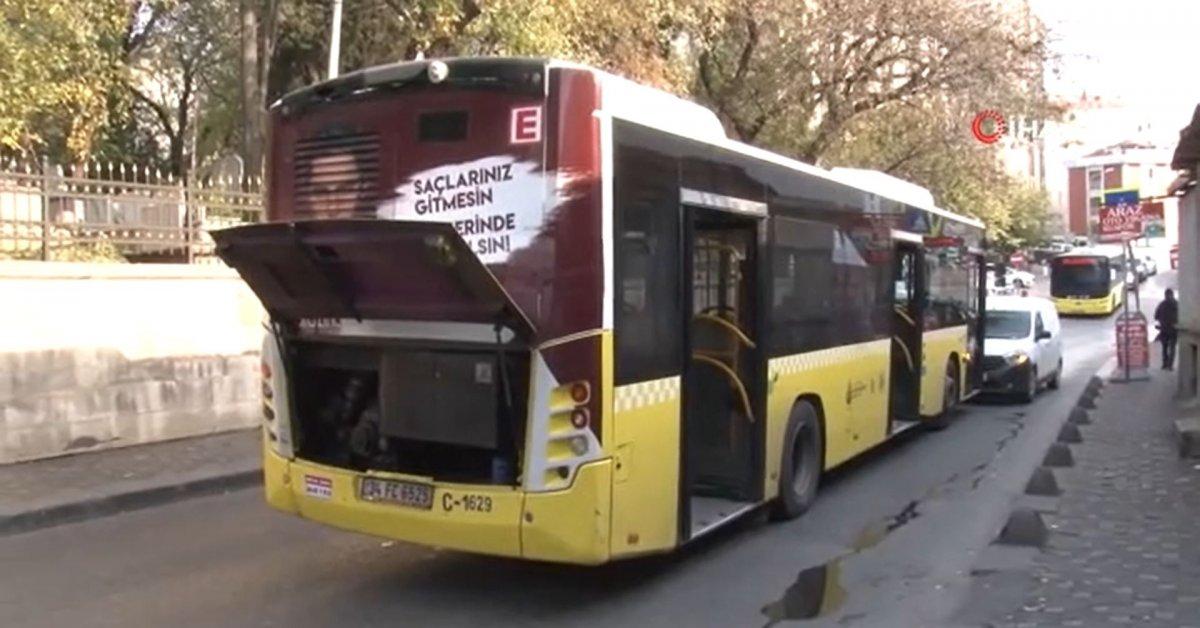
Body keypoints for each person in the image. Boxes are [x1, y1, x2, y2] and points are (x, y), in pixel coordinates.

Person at [1154, 288, 1179, 370]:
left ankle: (1165, 364)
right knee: (1172, 348)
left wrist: (1161, 321)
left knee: (1165, 347)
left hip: (1164, 329)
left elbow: (1156, 316)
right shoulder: (1177, 304)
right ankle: (1170, 365)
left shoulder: (1162, 304)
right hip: (1173, 329)